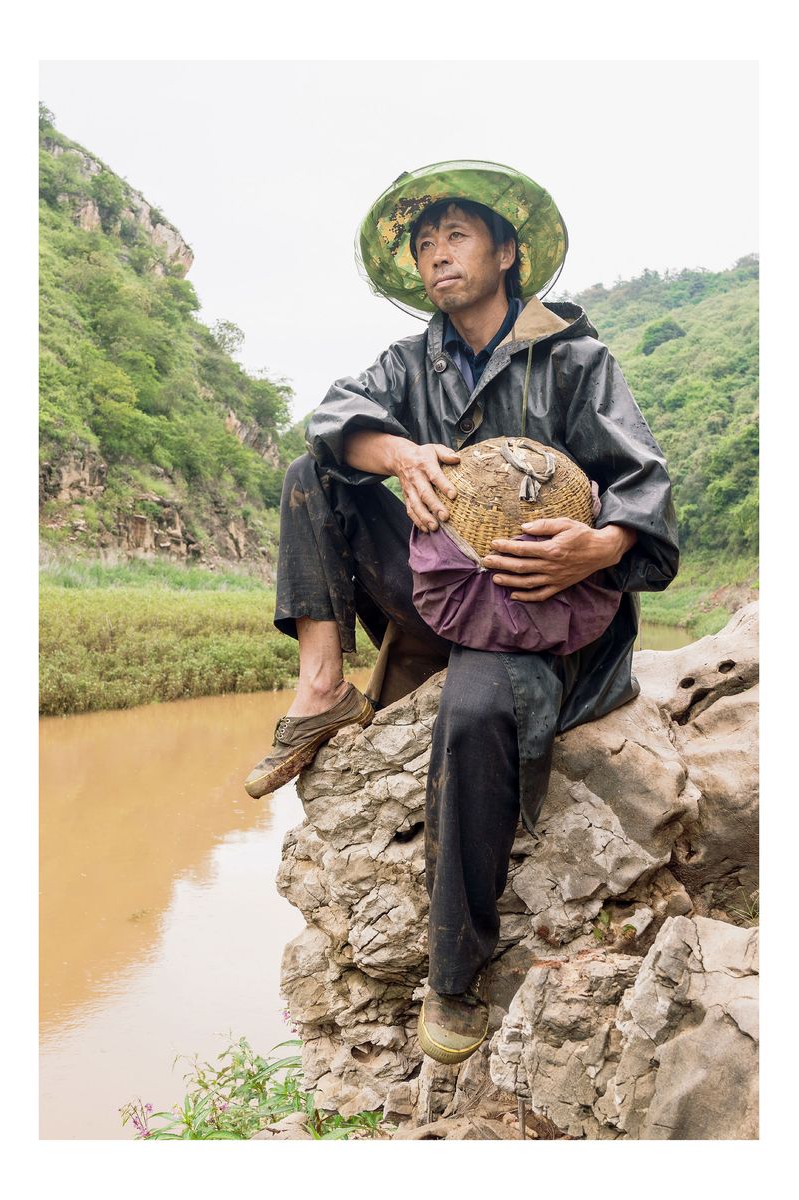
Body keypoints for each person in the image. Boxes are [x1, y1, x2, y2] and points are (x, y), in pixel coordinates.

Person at [243, 161, 679, 1065]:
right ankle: (322, 686)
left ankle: (456, 973)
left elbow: (645, 488)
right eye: (425, 241)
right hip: (436, 587)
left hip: (531, 606)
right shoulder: (409, 364)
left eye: (458, 235)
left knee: (476, 714)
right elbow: (335, 420)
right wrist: (400, 454)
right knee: (312, 472)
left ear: (508, 252)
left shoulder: (576, 362)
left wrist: (598, 545)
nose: (438, 255)